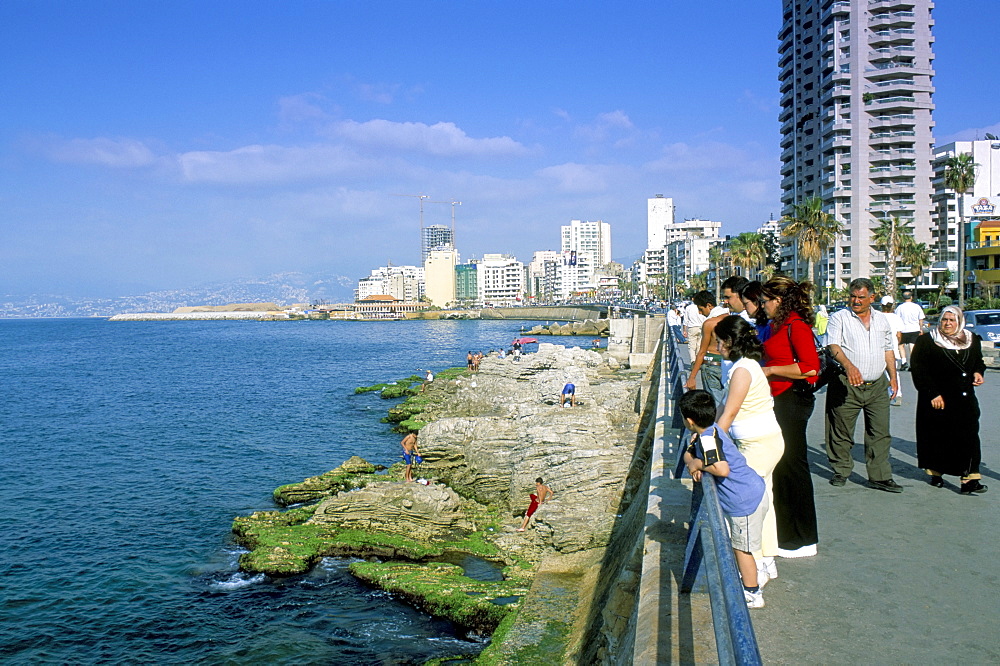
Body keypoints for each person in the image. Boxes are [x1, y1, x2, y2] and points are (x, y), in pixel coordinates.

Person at [680, 389, 769, 609]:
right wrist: (692, 461)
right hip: (751, 491)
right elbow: (688, 453)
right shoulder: (711, 431)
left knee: (742, 548)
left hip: (744, 501)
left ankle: (752, 592)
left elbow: (721, 468)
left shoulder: (708, 439)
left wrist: (698, 464)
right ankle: (757, 573)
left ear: (689, 421)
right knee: (743, 543)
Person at [714, 315, 785, 588]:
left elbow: (728, 414)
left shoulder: (743, 370)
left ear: (730, 342)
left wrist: (712, 448)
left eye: (720, 342)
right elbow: (723, 407)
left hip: (759, 444)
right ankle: (767, 559)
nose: (717, 347)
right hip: (761, 441)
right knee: (763, 498)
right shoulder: (744, 367)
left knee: (749, 504)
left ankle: (756, 569)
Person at [759, 276, 821, 557]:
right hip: (779, 399)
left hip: (792, 401)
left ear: (778, 301)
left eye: (765, 301)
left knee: (793, 465)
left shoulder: (796, 326)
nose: (762, 306)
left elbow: (810, 368)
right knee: (781, 466)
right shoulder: (777, 326)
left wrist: (771, 371)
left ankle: (803, 538)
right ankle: (786, 535)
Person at [825, 278, 901, 493]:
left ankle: (880, 476)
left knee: (880, 432)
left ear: (872, 298)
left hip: (877, 385)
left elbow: (888, 349)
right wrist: (849, 366)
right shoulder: (839, 318)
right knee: (840, 430)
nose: (856, 301)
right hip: (846, 384)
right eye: (853, 296)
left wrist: (893, 377)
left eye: (861, 297)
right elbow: (833, 345)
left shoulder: (882, 320)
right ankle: (841, 470)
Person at [910, 306, 987, 494]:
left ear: (959, 321)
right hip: (939, 399)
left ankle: (969, 479)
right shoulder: (927, 341)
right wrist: (932, 394)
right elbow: (919, 370)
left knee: (969, 437)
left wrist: (978, 372)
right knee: (939, 437)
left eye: (952, 320)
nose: (948, 324)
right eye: (945, 319)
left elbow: (978, 361)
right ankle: (936, 473)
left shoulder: (971, 340)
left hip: (965, 399)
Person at [684, 290, 731, 405]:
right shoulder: (730, 318)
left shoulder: (709, 323)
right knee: (728, 401)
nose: (700, 313)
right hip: (728, 365)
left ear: (709, 306)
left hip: (711, 366)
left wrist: (692, 377)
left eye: (701, 309)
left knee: (716, 404)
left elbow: (702, 352)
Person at [880, 296, 904, 406]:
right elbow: (899, 336)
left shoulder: (877, 316)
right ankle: (897, 393)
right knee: (893, 372)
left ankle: (888, 394)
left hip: (879, 349)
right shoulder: (896, 318)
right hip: (893, 349)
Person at [894, 291, 925, 370]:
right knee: (912, 346)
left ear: (903, 298)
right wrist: (921, 329)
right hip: (914, 329)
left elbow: (897, 319)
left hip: (903, 329)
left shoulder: (900, 307)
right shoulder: (917, 307)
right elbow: (921, 319)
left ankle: (904, 362)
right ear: (911, 297)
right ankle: (912, 363)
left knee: (901, 345)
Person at [683, 299, 707, 363]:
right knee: (699, 345)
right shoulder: (702, 307)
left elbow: (686, 320)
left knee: (691, 346)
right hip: (701, 327)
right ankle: (698, 360)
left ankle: (693, 360)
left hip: (692, 327)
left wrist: (684, 330)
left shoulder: (689, 308)